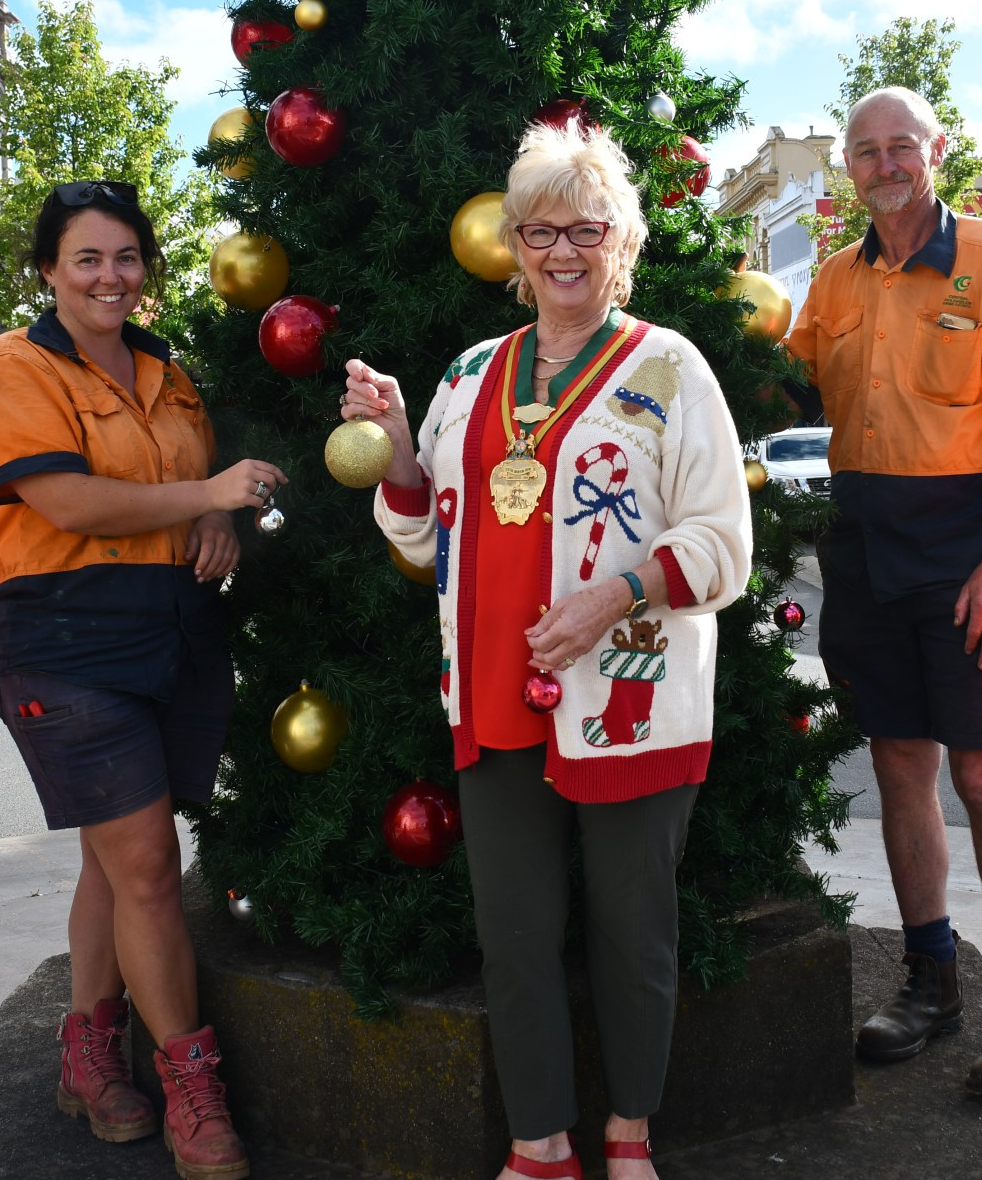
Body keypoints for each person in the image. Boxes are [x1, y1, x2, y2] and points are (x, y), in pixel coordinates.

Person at [345, 122, 752, 1180]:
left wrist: (617, 593)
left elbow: (722, 541)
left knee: (632, 932)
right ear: (513, 244)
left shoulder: (668, 367)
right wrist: (396, 438)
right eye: (540, 229)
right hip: (492, 692)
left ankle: (627, 1134)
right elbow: (421, 531)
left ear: (621, 239)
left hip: (625, 692)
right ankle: (539, 1144)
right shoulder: (475, 371)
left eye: (586, 227)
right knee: (514, 935)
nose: (561, 250)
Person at [0, 181, 282, 1180]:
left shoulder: (164, 370)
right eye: (86, 258)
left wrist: (215, 518)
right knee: (144, 865)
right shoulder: (11, 366)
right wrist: (206, 492)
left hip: (174, 633)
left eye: (126, 256)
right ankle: (192, 1086)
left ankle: (87, 1051)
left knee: (115, 861)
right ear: (48, 269)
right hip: (69, 639)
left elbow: (193, 486)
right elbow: (68, 499)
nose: (110, 276)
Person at [783, 86, 982, 1096]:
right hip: (863, 550)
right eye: (862, 151)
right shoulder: (831, 279)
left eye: (898, 145)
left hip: (965, 554)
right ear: (847, 168)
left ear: (934, 151)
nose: (882, 164)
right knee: (898, 766)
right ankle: (929, 981)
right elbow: (783, 387)